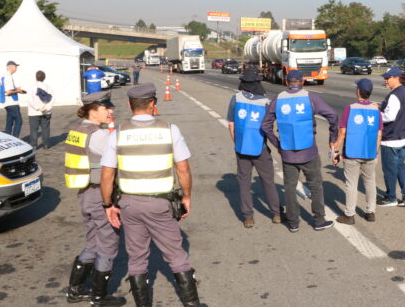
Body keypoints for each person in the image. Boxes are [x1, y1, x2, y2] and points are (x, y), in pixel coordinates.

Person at [100, 83, 202, 306]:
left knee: (137, 258)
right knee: (176, 254)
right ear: (153, 103)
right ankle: (192, 303)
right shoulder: (170, 129)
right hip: (160, 203)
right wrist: (186, 196)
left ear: (129, 105)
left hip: (129, 204)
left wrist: (108, 205)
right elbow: (183, 169)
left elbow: (107, 175)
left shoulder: (118, 133)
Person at [64, 92, 126, 306]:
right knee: (108, 245)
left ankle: (75, 290)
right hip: (101, 194)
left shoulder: (77, 131)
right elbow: (120, 158)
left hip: (85, 193)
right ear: (93, 111)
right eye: (105, 108)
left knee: (92, 243)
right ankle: (99, 297)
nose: (111, 111)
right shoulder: (98, 136)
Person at [261, 69, 338, 233]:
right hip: (309, 151)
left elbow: (265, 125)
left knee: (289, 187)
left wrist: (277, 144)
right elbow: (333, 115)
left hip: (287, 152)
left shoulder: (278, 99)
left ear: (286, 82)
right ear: (302, 82)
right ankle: (319, 220)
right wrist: (332, 138)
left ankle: (293, 223)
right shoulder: (310, 97)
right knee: (315, 185)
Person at [226, 67, 282, 228]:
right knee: (268, 181)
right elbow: (269, 126)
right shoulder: (265, 102)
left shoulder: (235, 99)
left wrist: (237, 143)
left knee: (244, 182)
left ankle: (248, 217)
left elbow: (231, 124)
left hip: (241, 148)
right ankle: (276, 213)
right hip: (261, 148)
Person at [332, 78, 382, 224]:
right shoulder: (376, 110)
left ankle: (349, 215)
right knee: (370, 182)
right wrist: (375, 153)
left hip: (351, 153)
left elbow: (342, 132)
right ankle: (370, 212)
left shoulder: (350, 108)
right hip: (369, 153)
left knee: (351, 184)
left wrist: (336, 151)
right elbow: (379, 134)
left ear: (358, 91)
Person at [375, 66, 405, 207]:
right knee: (400, 166)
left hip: (391, 138)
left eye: (388, 78)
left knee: (390, 170)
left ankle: (391, 197)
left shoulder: (394, 95)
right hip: (403, 136)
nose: (385, 80)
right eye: (385, 77)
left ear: (396, 77)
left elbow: (389, 116)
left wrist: (377, 113)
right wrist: (380, 107)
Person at [27, 70, 54, 149]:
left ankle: (34, 145)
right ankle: (46, 144)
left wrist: (37, 107)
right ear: (44, 78)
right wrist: (47, 107)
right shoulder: (48, 87)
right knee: (45, 128)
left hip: (34, 112)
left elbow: (30, 100)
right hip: (46, 111)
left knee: (34, 129)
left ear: (36, 78)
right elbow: (52, 99)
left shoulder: (32, 87)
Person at [0, 60, 25, 138]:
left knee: (9, 123)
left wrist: (16, 89)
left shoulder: (5, 76)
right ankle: (15, 139)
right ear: (11, 67)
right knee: (19, 121)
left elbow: (7, 90)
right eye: (15, 66)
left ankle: (7, 139)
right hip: (12, 103)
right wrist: (18, 91)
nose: (16, 68)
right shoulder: (8, 77)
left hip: (7, 103)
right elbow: (8, 92)